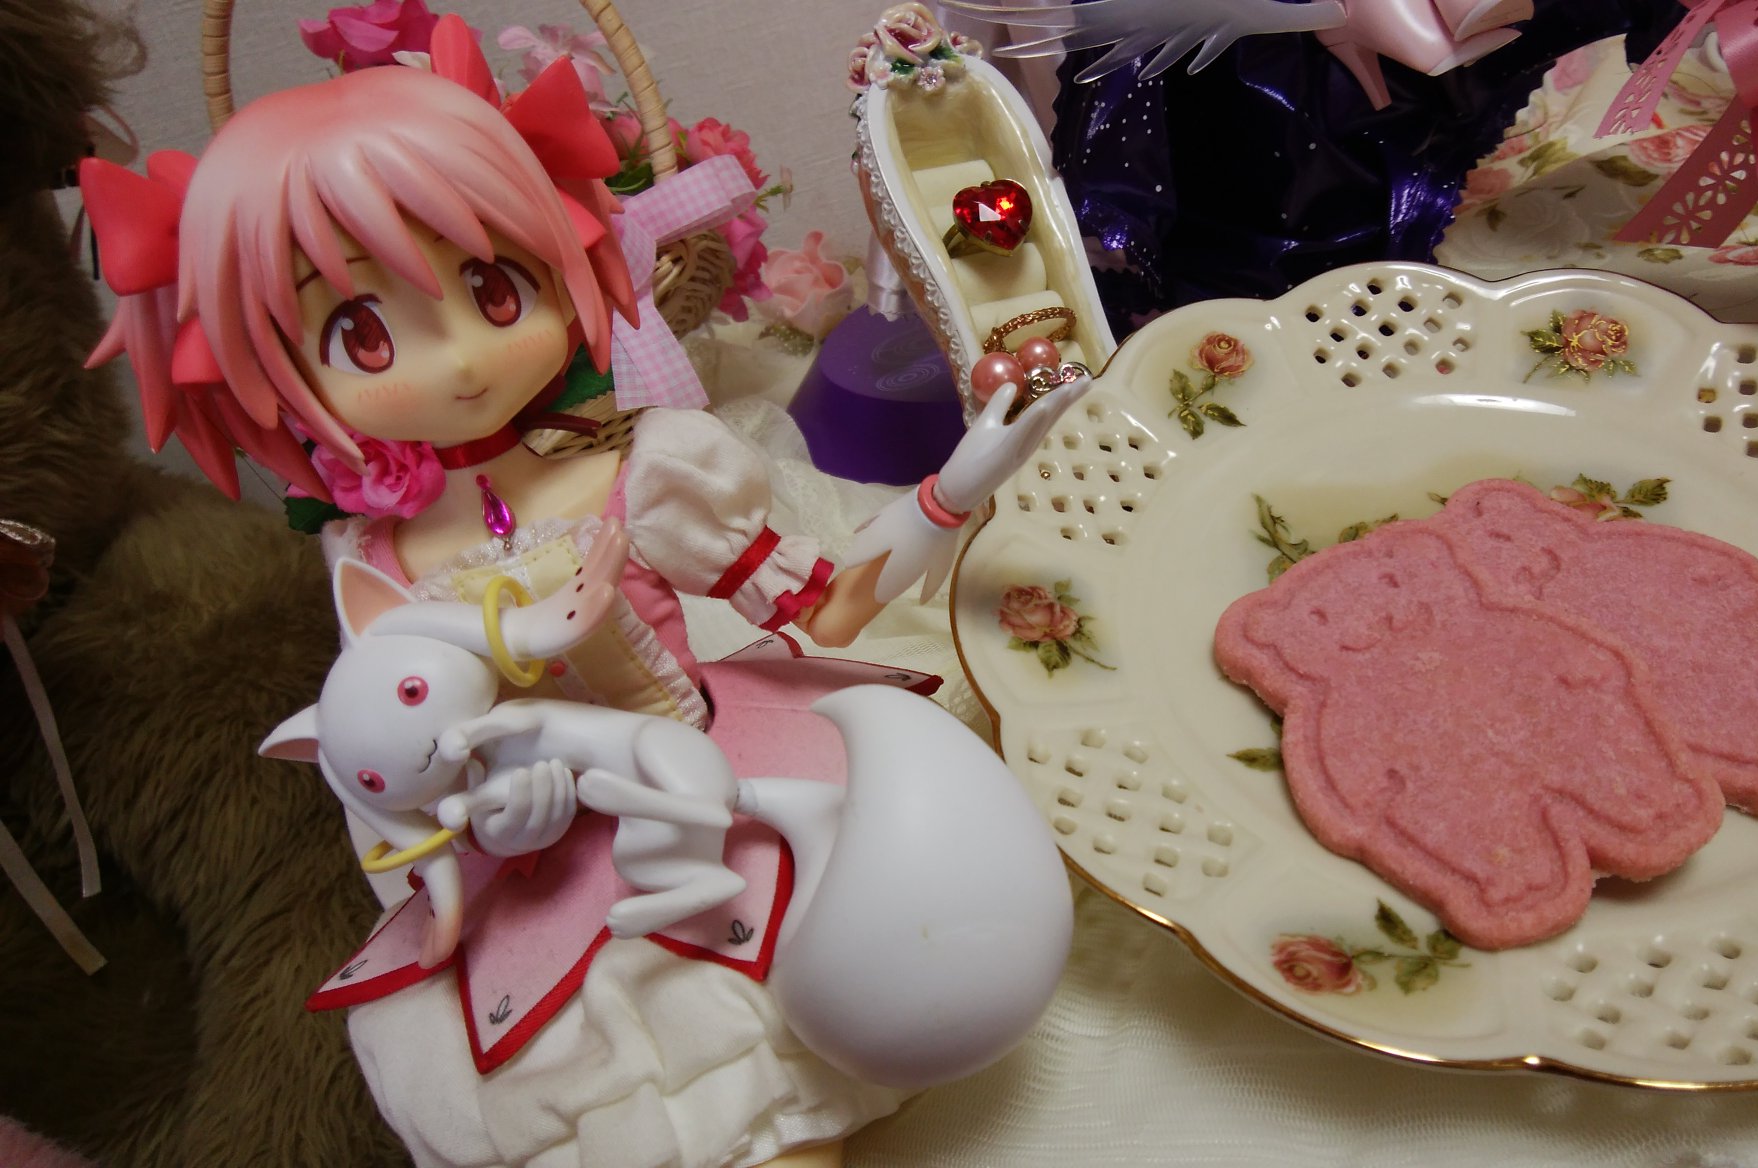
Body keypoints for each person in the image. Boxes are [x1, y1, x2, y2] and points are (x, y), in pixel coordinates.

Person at [80, 18, 1076, 1167]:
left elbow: (826, 610)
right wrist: (476, 823)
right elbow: (389, 783)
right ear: (267, 363)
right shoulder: (368, 565)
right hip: (549, 884)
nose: (460, 357)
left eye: (493, 288)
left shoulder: (649, 473)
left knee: (817, 1058)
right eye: (361, 330)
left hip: (726, 784)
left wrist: (955, 488)